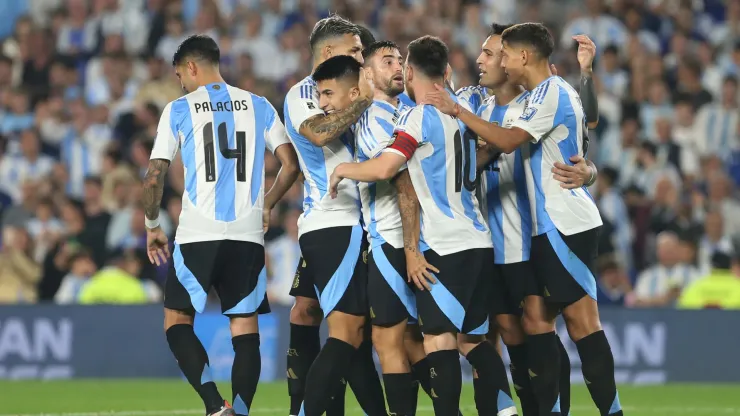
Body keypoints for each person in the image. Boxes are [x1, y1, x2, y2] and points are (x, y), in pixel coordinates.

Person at [425, 23, 621, 416]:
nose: (481, 60)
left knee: (549, 330)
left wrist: (591, 172)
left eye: (493, 53)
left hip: (532, 236)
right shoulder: (476, 98)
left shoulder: (533, 100)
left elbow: (579, 130)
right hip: (485, 240)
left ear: (516, 57)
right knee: (508, 332)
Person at [330, 35, 515, 416]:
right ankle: (506, 409)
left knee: (438, 343)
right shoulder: (461, 110)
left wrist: (343, 169)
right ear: (445, 71)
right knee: (475, 341)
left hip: (445, 245)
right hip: (480, 239)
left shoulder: (416, 116)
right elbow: (472, 159)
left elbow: (386, 169)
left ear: (410, 71)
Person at [142, 34, 300, 416]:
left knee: (177, 320)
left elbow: (153, 176)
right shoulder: (258, 105)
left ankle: (215, 406)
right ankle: (242, 411)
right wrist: (266, 205)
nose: (181, 83)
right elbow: (290, 165)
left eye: (181, 74)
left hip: (198, 233)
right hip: (247, 236)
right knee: (245, 330)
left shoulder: (179, 109)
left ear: (192, 67)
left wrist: (152, 224)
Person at [283, 15, 385, 416]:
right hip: (333, 221)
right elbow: (321, 133)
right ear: (328, 52)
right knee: (348, 330)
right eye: (357, 50)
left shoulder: (355, 90)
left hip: (355, 222)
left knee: (324, 318)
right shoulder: (304, 93)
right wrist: (364, 99)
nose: (364, 57)